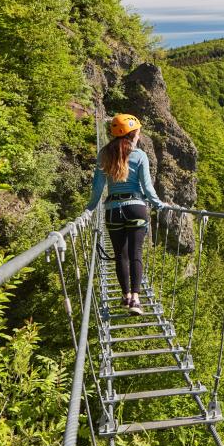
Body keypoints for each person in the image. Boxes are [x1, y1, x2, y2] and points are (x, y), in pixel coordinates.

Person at [85, 113, 167, 314]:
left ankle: (126, 296)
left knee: (120, 255)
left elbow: (97, 188)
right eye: (138, 132)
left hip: (113, 210)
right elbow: (147, 187)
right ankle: (136, 301)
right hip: (136, 209)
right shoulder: (139, 155)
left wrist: (89, 209)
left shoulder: (104, 154)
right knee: (135, 253)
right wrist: (159, 204)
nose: (139, 135)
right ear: (132, 133)